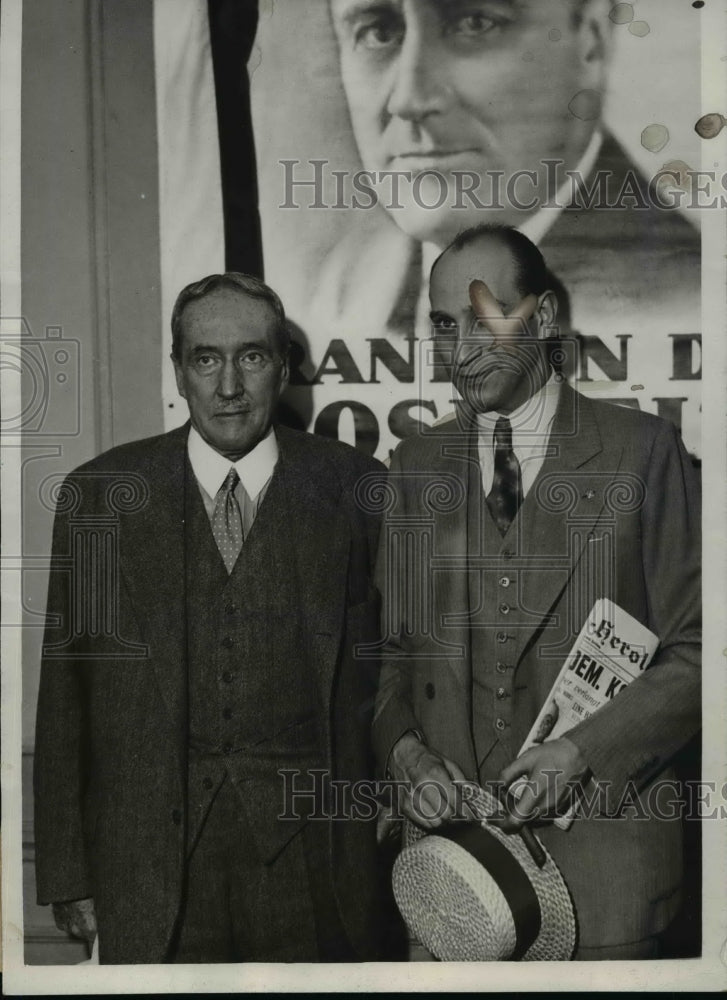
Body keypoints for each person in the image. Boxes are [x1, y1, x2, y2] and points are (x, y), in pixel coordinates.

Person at [34, 273, 388, 963]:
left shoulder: (356, 489)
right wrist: (68, 872)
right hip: (149, 870)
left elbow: (393, 673)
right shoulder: (101, 497)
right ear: (178, 369)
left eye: (251, 357)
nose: (229, 385)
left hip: (317, 867)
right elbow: (65, 704)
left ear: (282, 367)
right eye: (205, 358)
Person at [372, 225, 701, 960]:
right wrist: (404, 758)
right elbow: (388, 657)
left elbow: (702, 650)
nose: (461, 352)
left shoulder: (642, 452)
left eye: (486, 320)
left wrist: (581, 753)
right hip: (451, 891)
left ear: (545, 318)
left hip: (604, 887)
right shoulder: (412, 465)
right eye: (443, 326)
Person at [316, 0, 700, 353]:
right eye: (378, 33)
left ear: (590, 41)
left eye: (475, 23)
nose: (409, 100)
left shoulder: (694, 297)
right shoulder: (342, 288)